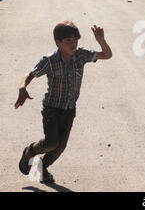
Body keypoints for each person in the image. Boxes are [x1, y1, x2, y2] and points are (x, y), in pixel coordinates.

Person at [15, 21, 112, 183]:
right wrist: (22, 87)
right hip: (52, 109)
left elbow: (107, 55)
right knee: (51, 143)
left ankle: (42, 168)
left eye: (75, 39)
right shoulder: (50, 60)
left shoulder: (81, 55)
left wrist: (101, 40)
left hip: (69, 109)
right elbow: (30, 73)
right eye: (68, 40)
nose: (73, 43)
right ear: (58, 42)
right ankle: (30, 151)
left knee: (59, 148)